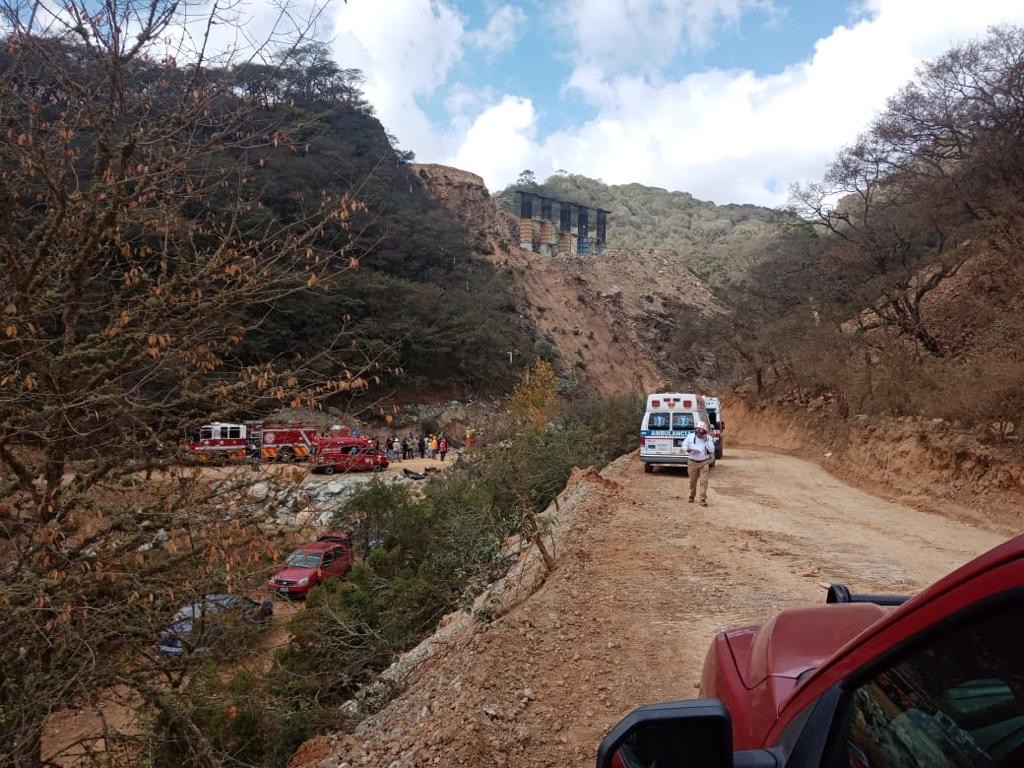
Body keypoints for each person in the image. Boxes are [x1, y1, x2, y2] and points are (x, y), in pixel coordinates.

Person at [682, 421, 716, 506]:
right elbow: (684, 446)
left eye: (702, 432)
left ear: (705, 432)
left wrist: (706, 441)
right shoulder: (690, 436)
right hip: (692, 462)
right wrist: (688, 449)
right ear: (696, 430)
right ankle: (692, 495)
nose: (700, 433)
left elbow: (712, 450)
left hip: (704, 462)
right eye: (698, 431)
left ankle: (702, 499)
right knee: (692, 481)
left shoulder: (708, 438)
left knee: (704, 481)